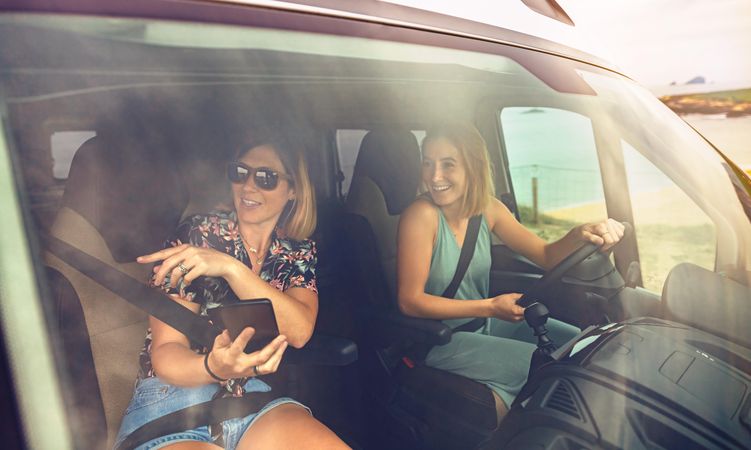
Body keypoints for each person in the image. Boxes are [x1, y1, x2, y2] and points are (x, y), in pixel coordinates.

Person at [114, 131, 349, 450]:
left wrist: (231, 268)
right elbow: (166, 352)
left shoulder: (296, 251)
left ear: (293, 190)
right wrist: (212, 367)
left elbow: (299, 330)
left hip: (248, 396)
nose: (249, 186)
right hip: (173, 398)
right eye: (240, 173)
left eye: (266, 177)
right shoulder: (197, 235)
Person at [396, 122, 624, 414]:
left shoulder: (488, 209)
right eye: (428, 163)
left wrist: (579, 234)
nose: (434, 175)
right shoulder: (420, 215)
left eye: (448, 164)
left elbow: (545, 254)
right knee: (551, 367)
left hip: (483, 325)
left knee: (583, 346)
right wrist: (491, 306)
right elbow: (410, 302)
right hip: (438, 339)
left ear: (472, 167)